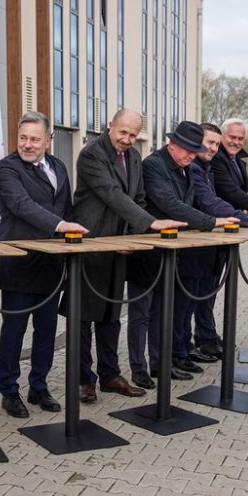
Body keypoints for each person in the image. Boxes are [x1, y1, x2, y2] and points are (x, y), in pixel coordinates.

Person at [69, 108, 184, 400]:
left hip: (120, 245)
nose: (127, 139)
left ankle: (110, 375)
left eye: (133, 134)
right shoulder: (92, 154)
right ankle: (84, 379)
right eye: (123, 132)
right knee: (84, 317)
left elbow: (139, 198)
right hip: (91, 243)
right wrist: (150, 222)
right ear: (110, 126)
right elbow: (112, 194)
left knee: (111, 315)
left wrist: (141, 235)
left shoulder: (133, 156)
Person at [0, 111, 88, 418]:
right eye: (23, 138)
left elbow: (67, 208)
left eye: (35, 139)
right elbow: (22, 205)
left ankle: (39, 386)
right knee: (14, 332)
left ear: (48, 140)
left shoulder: (59, 166)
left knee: (46, 331)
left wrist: (70, 244)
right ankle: (9, 391)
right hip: (19, 265)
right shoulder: (6, 167)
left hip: (51, 266)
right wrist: (61, 226)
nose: (28, 144)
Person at [130, 121, 238, 381]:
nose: (192, 155)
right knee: (140, 314)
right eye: (188, 150)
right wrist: (211, 222)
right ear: (172, 145)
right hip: (148, 248)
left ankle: (160, 363)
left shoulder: (185, 167)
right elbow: (170, 203)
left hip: (171, 250)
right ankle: (138, 368)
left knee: (162, 312)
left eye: (194, 150)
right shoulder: (154, 165)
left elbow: (189, 203)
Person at [176, 123, 248, 365]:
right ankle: (185, 348)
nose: (215, 147)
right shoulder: (200, 165)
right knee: (188, 300)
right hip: (195, 239)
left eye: (216, 143)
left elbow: (217, 197)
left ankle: (193, 344)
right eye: (211, 142)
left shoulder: (209, 165)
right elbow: (211, 200)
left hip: (212, 237)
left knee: (202, 294)